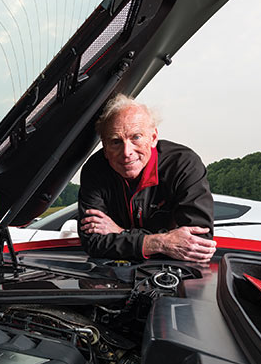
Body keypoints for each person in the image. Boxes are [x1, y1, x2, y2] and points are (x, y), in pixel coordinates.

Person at [77, 94, 216, 262]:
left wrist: (121, 233)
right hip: (113, 276)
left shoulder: (184, 165)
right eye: (115, 142)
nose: (127, 152)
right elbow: (93, 242)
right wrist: (161, 242)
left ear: (153, 138)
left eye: (136, 137)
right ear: (105, 148)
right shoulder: (94, 170)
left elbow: (199, 244)